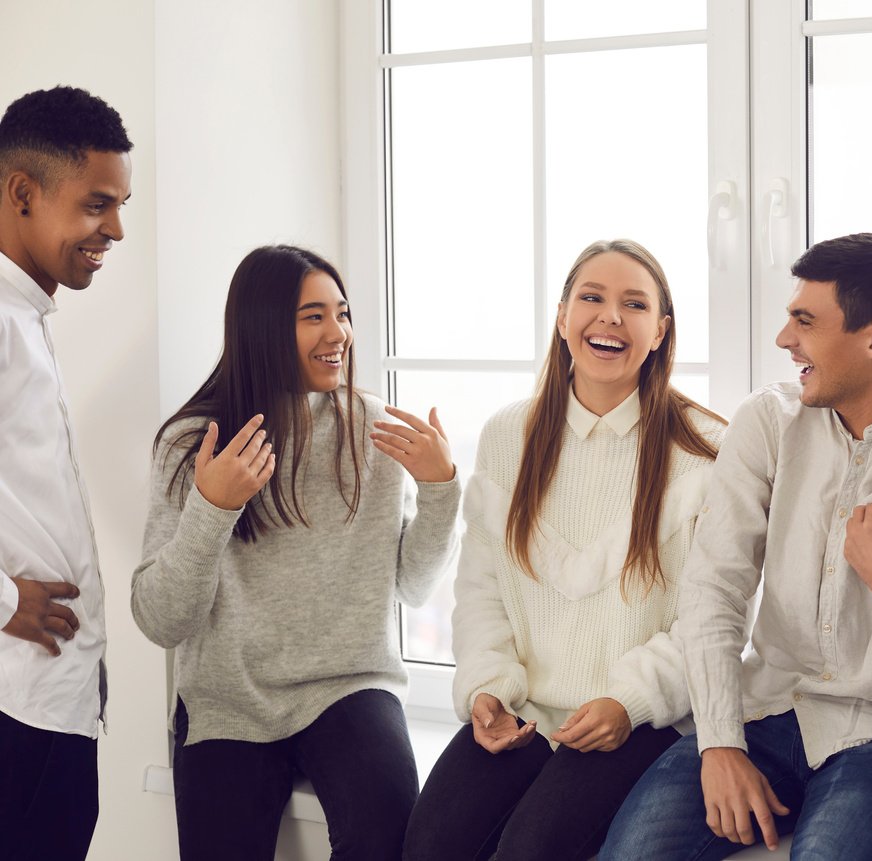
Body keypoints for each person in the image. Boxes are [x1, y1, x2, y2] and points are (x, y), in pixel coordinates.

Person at [603, 232, 872, 861]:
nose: (785, 340)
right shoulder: (767, 422)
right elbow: (714, 588)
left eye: (805, 322)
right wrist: (721, 743)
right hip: (766, 714)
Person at [131, 245, 461, 860]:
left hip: (351, 686)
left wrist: (440, 490)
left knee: (390, 838)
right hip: (227, 700)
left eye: (342, 313)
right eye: (314, 316)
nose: (338, 333)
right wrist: (213, 507)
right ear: (263, 328)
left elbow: (413, 586)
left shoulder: (374, 429)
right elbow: (161, 619)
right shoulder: (193, 444)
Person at [400, 239, 724, 861]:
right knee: (428, 845)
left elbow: (710, 623)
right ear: (561, 317)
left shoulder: (706, 450)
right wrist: (488, 689)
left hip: (640, 721)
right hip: (523, 712)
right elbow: (480, 592)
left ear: (660, 331)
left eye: (634, 304)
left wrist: (627, 703)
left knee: (531, 850)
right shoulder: (507, 436)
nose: (609, 317)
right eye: (591, 298)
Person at [0, 85, 133, 860]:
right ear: (23, 192)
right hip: (18, 704)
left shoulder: (26, 317)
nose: (114, 228)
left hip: (52, 700)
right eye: (96, 205)